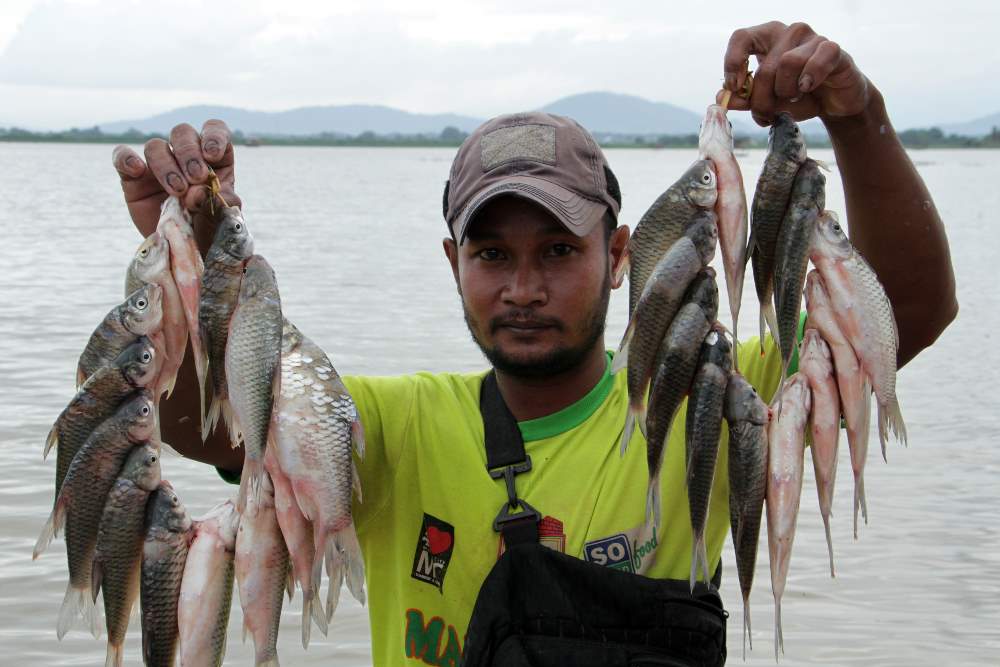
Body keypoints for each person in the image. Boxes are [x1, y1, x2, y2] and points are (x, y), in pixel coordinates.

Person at [111, 21, 956, 666]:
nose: (522, 287)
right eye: (491, 255)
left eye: (557, 250)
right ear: (453, 264)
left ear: (618, 256)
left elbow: (907, 313)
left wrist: (859, 118)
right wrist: (198, 259)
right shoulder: (392, 426)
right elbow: (213, 428)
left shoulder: (703, 386)